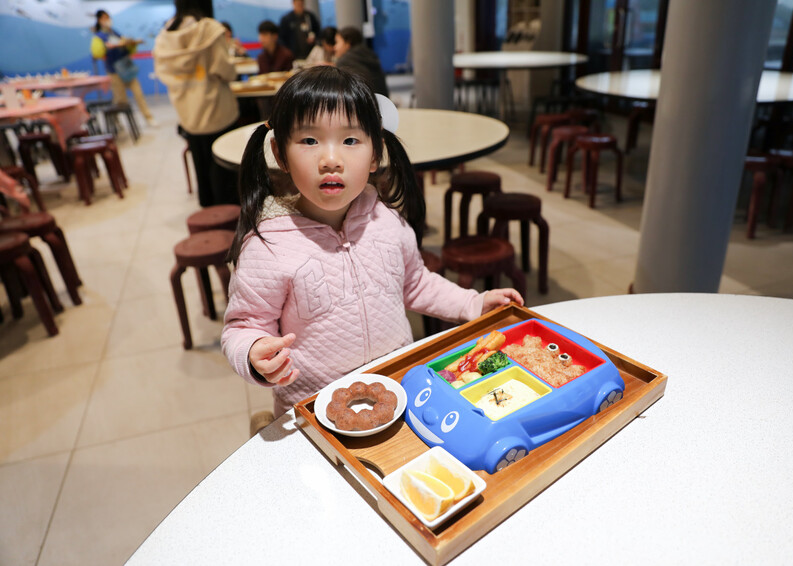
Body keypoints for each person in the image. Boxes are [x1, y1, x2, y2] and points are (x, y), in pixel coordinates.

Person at [221, 66, 522, 421]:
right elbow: (243, 326)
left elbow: (415, 283)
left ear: (376, 153)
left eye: (350, 141)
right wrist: (254, 352)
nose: (330, 159)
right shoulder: (269, 246)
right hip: (316, 409)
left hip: (398, 391)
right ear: (280, 153)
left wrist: (473, 302)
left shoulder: (386, 221)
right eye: (309, 140)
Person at [153, 0, 239, 207]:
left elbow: (163, 73)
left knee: (201, 166)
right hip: (217, 110)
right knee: (224, 170)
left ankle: (208, 211)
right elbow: (225, 70)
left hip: (188, 113)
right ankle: (229, 218)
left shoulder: (165, 36)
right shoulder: (209, 29)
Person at [91, 10, 157, 126]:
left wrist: (132, 44)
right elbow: (97, 53)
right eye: (104, 18)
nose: (107, 20)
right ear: (99, 20)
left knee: (139, 94)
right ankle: (115, 122)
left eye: (108, 17)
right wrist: (107, 47)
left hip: (127, 68)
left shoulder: (115, 33)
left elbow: (127, 48)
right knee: (120, 99)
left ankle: (148, 117)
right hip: (114, 71)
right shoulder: (98, 37)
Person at [334, 26, 388, 97]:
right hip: (383, 101)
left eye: (337, 42)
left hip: (365, 105)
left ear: (347, 43)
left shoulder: (345, 61)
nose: (335, 47)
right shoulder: (368, 54)